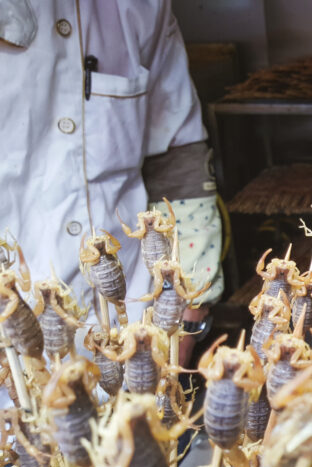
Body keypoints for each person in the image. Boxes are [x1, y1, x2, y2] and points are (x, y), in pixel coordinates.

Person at [0, 0, 223, 366]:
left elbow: (177, 160)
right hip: (12, 349)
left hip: (132, 335)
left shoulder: (142, 8)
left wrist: (187, 315)